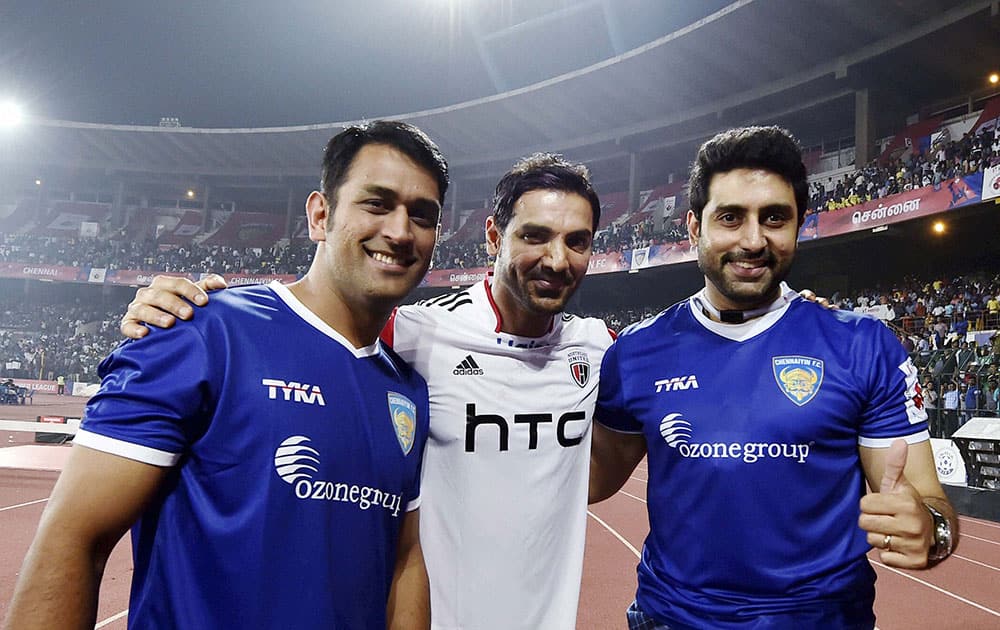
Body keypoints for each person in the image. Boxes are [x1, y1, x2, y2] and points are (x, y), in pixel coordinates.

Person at [116, 153, 615, 629]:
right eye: (535, 236)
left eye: (578, 241)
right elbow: (315, 325)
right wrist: (198, 309)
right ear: (493, 236)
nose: (556, 258)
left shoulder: (601, 350)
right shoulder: (415, 334)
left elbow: (594, 473)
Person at [3, 120, 449, 629]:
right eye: (376, 203)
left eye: (422, 215)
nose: (399, 230)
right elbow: (73, 538)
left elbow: (403, 560)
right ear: (320, 215)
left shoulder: (406, 390)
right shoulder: (199, 331)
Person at [589, 126, 958, 629]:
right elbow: (590, 479)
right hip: (674, 619)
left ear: (800, 224)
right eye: (731, 217)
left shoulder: (862, 347)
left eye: (775, 218)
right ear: (694, 227)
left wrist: (931, 529)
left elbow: (930, 501)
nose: (753, 240)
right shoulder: (636, 352)